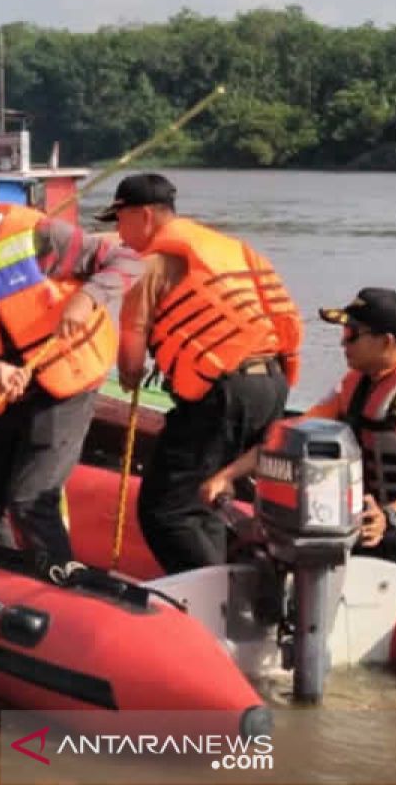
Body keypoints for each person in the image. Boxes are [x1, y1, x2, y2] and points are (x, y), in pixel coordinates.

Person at [0, 168, 145, 559]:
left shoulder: (41, 237)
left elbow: (127, 261)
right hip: (4, 385)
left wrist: (88, 297)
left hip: (65, 378)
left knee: (30, 500)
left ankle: (59, 582)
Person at [105, 172, 303, 574]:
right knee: (207, 496)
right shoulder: (228, 249)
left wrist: (129, 374)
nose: (119, 234)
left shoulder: (152, 264)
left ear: (143, 216)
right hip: (270, 385)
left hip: (222, 393)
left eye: (119, 220)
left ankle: (211, 601)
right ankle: (241, 580)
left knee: (167, 511)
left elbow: (133, 338)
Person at [201, 288, 396, 567]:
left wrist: (390, 517)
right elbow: (291, 434)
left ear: (386, 342)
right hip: (369, 523)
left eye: (352, 333)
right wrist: (228, 475)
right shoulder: (354, 385)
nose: (343, 343)